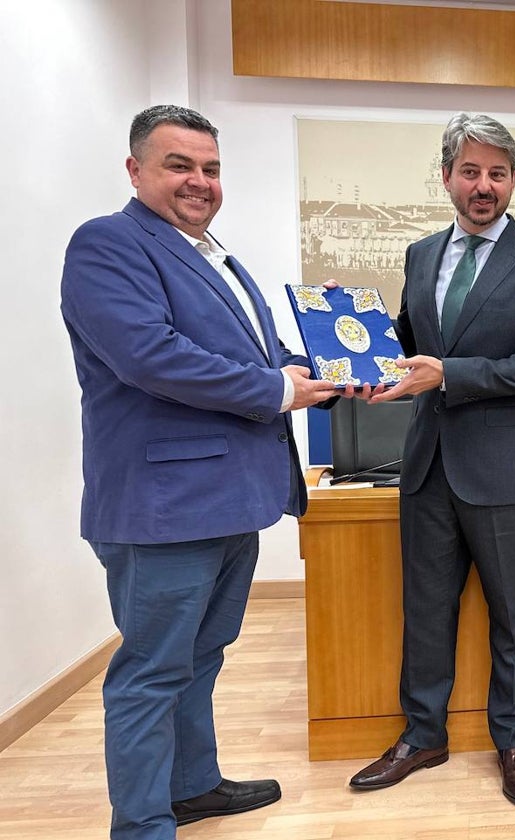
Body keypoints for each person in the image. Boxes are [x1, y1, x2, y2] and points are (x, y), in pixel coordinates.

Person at [60, 105, 340, 840]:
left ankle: (191, 786)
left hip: (229, 501)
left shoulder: (212, 252)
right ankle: (144, 824)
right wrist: (280, 390)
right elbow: (150, 356)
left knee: (202, 656)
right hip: (164, 506)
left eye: (210, 168)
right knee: (151, 673)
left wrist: (317, 369)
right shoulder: (108, 244)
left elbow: (253, 353)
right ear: (136, 170)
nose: (199, 181)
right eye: (179, 165)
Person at [347, 113, 515, 806]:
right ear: (446, 176)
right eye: (470, 172)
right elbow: (408, 345)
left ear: (512, 181)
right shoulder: (419, 255)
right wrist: (353, 365)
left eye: (497, 174)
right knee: (427, 610)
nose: (484, 186)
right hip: (428, 468)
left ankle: (512, 740)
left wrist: (449, 374)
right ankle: (423, 734)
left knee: (513, 616)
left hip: (502, 469)